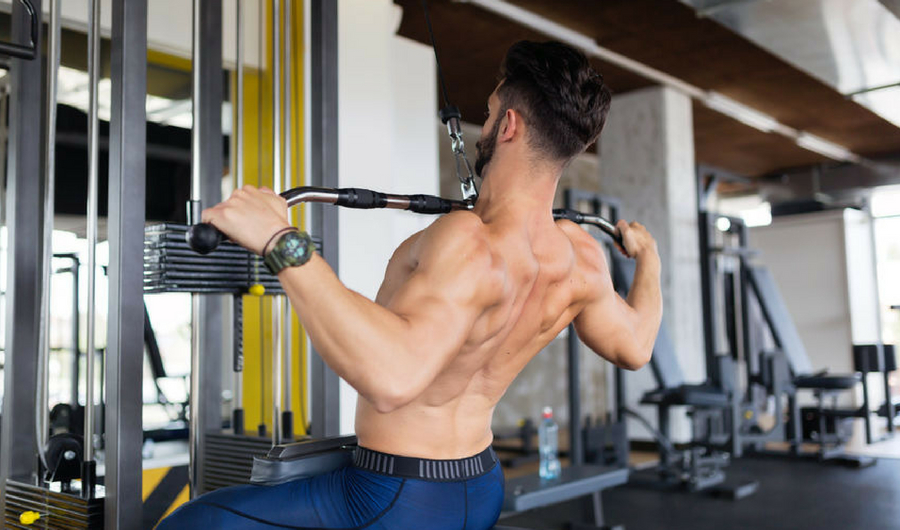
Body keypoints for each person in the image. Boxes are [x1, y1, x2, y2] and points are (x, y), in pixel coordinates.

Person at [159, 40, 661, 530]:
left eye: (488, 114)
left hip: (396, 494)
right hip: (480, 484)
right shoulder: (581, 257)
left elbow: (393, 378)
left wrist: (279, 240)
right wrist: (650, 260)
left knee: (193, 521)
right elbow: (635, 346)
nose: (483, 127)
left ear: (508, 125)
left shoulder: (470, 241)